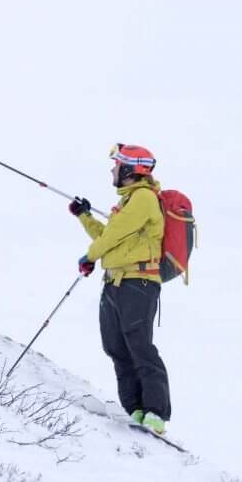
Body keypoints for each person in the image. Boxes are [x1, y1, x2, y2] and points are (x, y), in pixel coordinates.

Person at [71, 144, 171, 437]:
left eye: (116, 165)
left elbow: (114, 235)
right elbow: (110, 237)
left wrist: (90, 257)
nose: (112, 170)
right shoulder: (128, 202)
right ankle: (135, 409)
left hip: (138, 284)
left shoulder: (142, 198)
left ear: (130, 170)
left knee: (140, 346)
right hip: (115, 282)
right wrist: (85, 216)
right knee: (116, 347)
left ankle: (155, 413)